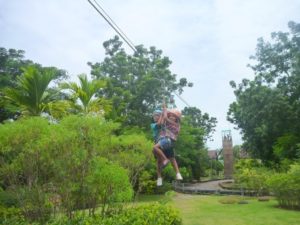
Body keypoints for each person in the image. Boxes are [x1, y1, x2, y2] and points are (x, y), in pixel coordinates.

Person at [152, 104, 183, 186]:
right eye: (171, 116)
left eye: (174, 116)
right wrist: (164, 111)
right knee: (159, 160)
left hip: (167, 140)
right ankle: (160, 178)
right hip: (161, 141)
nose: (172, 117)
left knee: (171, 158)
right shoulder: (160, 124)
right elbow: (162, 121)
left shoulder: (175, 124)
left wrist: (165, 111)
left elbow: (164, 119)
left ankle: (174, 170)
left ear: (177, 119)